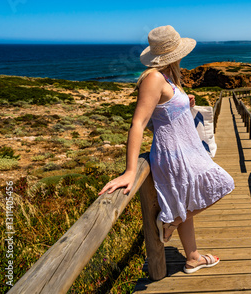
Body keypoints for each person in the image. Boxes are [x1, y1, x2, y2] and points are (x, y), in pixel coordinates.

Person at [98, 25, 235, 274]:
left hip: (186, 150)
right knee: (224, 183)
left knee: (189, 199)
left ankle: (193, 258)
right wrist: (130, 171)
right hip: (174, 155)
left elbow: (159, 114)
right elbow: (139, 123)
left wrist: (184, 102)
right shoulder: (153, 78)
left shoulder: (167, 77)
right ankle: (170, 221)